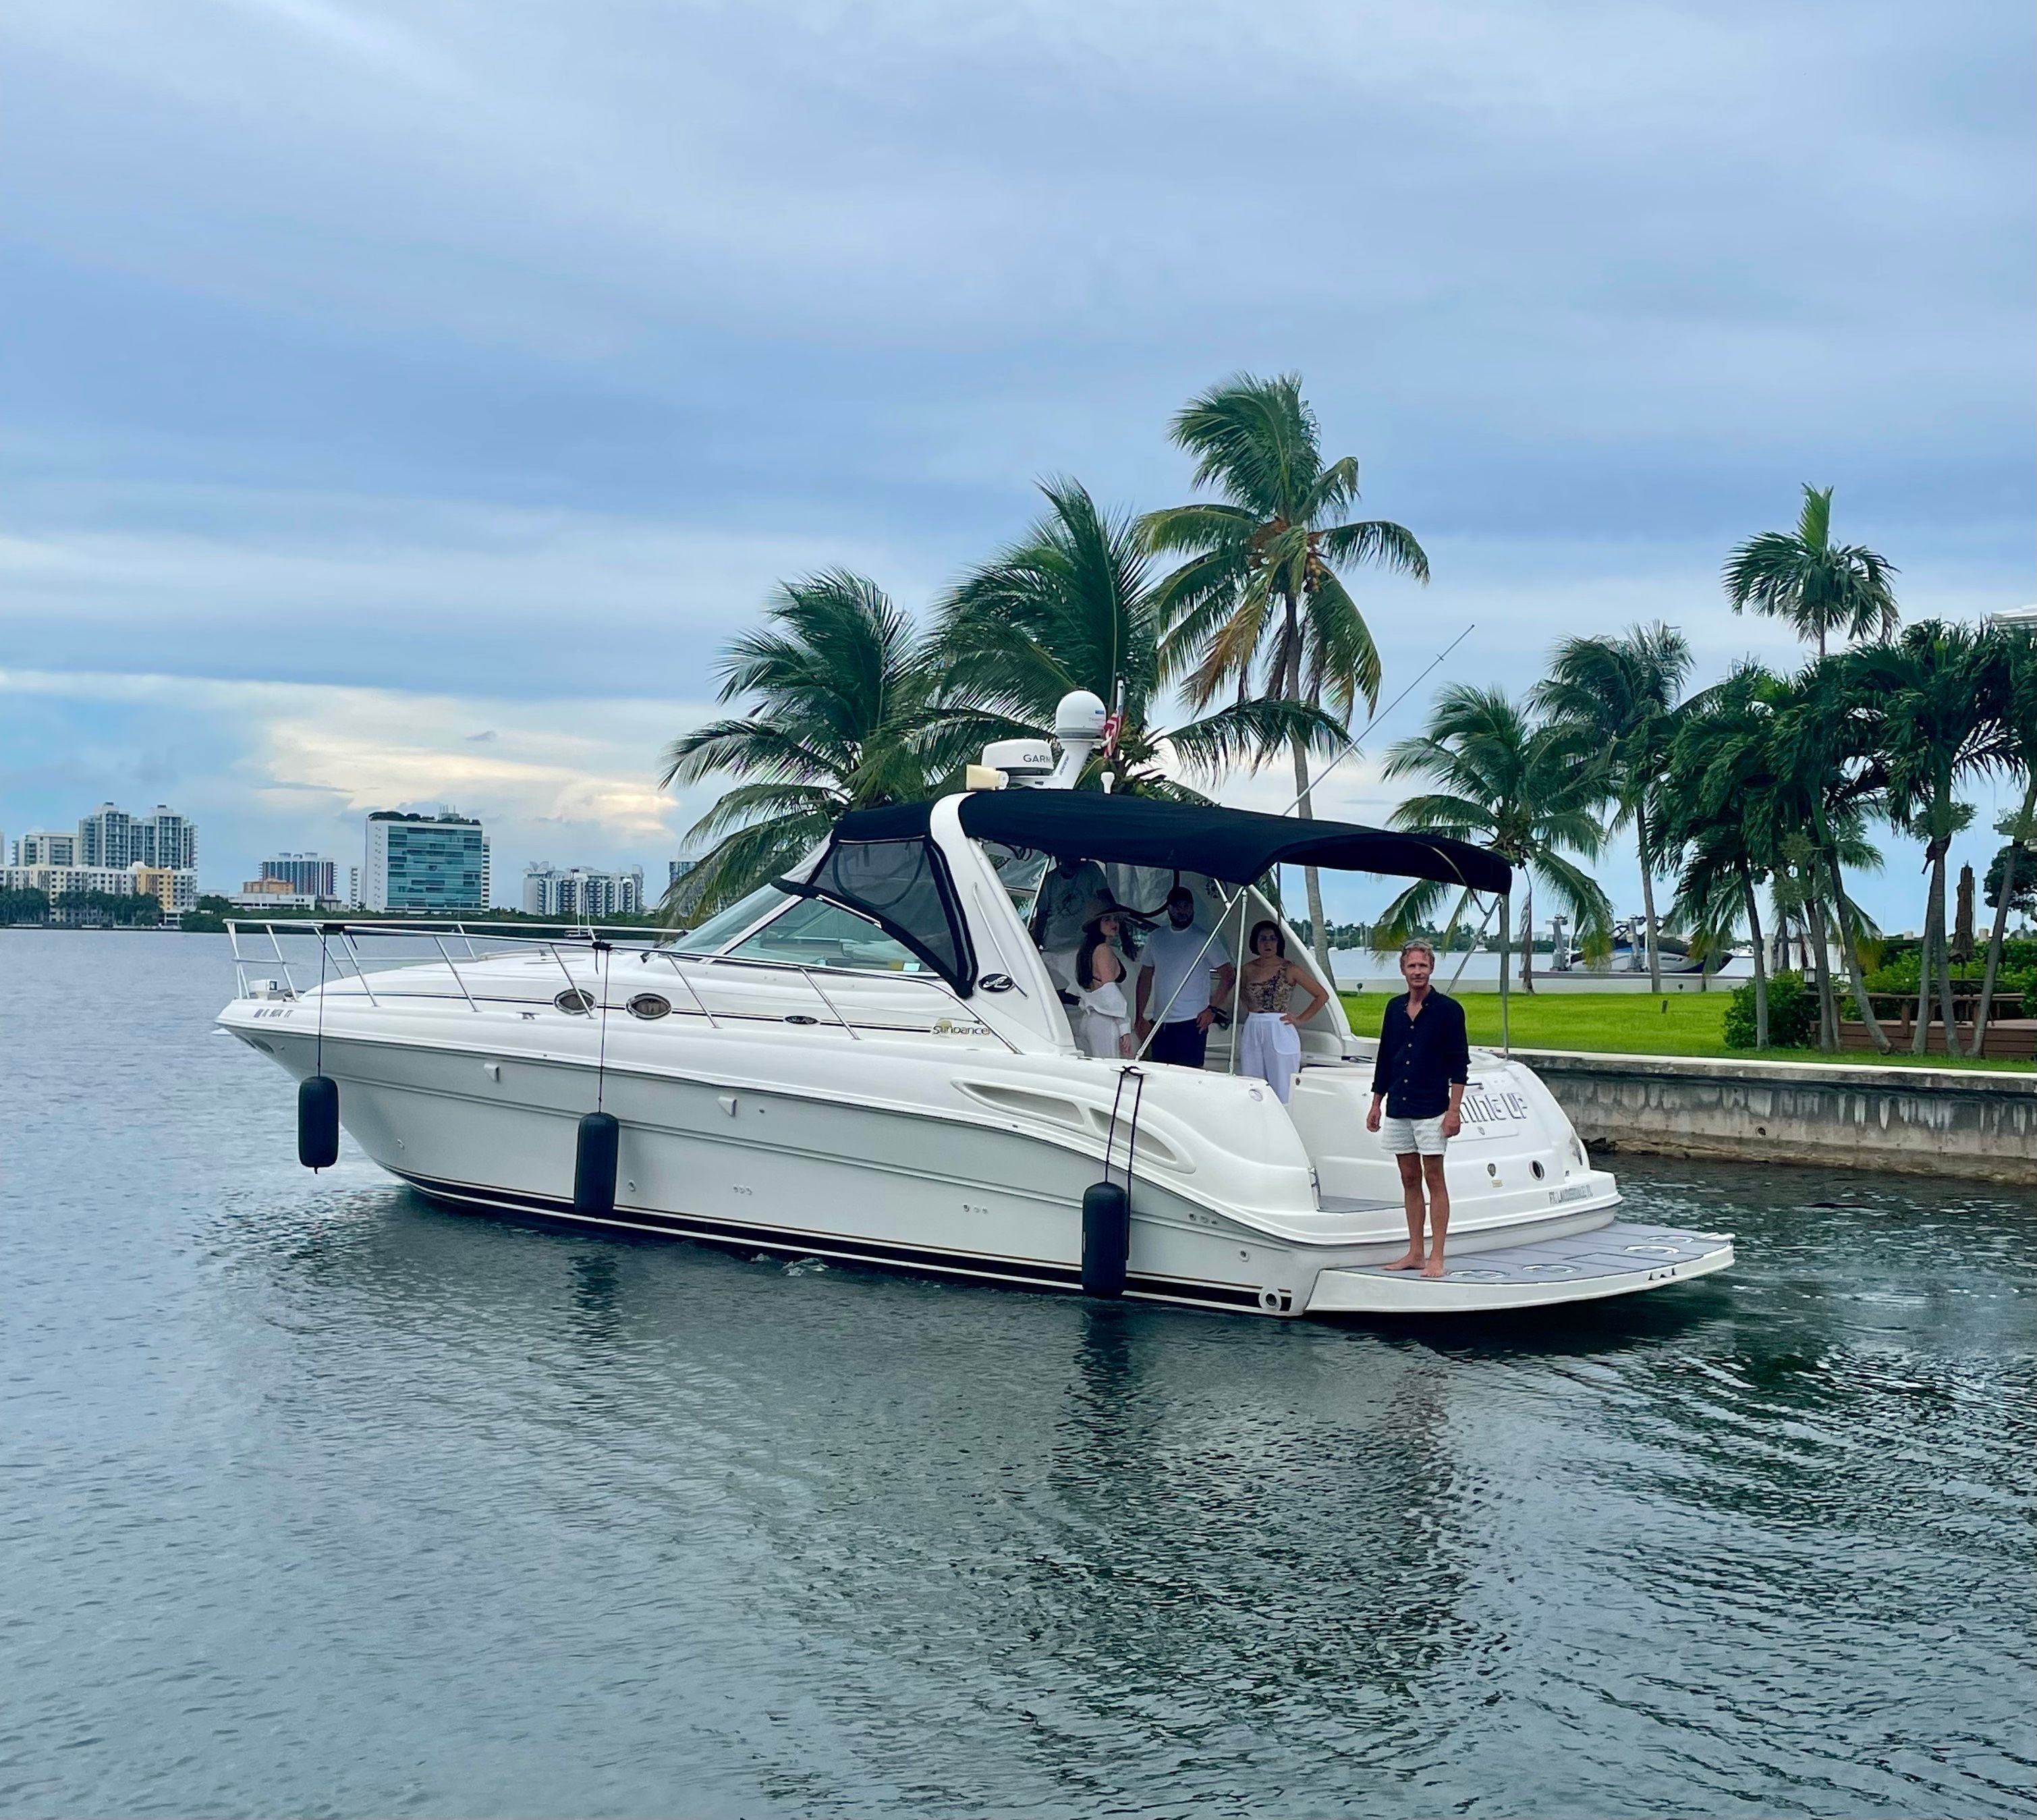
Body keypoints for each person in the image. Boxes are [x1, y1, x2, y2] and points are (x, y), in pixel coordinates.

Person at [1364, 937, 1470, 1279]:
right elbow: (1385, 1058)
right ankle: (1415, 1252)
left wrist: (1454, 1111)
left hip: (1432, 1107)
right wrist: (1376, 1102)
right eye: (1411, 966)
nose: (1417, 972)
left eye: (1423, 965)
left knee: (1433, 1177)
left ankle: (1437, 1256)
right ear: (1403, 970)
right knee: (1409, 1178)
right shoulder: (1394, 1008)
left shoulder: (1449, 1010)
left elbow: (1459, 1064)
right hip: (1399, 1104)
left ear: (1432, 968)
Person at [1135, 885, 1236, 1069]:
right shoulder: (1156, 938)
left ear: (1193, 908)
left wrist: (1212, 1010)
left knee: (1190, 1077)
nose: (1183, 911)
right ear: (1169, 909)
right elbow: (1145, 978)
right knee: (1159, 1076)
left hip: (1192, 1023)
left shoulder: (1204, 939)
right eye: (1178, 906)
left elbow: (1228, 975)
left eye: (1187, 906)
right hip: (1161, 1023)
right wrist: (1139, 1016)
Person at [1236, 920, 1330, 1102]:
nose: (1268, 943)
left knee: (1283, 1084)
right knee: (1252, 1082)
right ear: (1255, 943)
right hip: (1253, 1026)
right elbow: (1241, 990)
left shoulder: (1289, 968)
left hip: (1279, 1027)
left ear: (1279, 943)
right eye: (1263, 939)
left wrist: (1301, 1019)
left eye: (1272, 939)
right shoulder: (1247, 969)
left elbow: (1322, 995)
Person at [1030, 854, 1109, 993]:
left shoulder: (1091, 871)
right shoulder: (1050, 880)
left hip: (1083, 944)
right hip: (1054, 946)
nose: (1074, 860)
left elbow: (1107, 903)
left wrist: (1124, 937)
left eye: (1076, 856)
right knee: (1058, 990)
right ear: (1059, 858)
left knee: (1086, 988)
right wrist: (1033, 948)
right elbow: (1041, 916)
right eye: (1069, 856)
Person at [1073, 910, 1134, 1059]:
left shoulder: (1087, 951)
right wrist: (1124, 1026)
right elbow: (1109, 990)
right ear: (1096, 925)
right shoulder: (1103, 950)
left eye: (1115, 920)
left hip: (1092, 1018)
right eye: (1107, 920)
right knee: (1110, 1068)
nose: (1114, 924)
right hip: (1106, 1019)